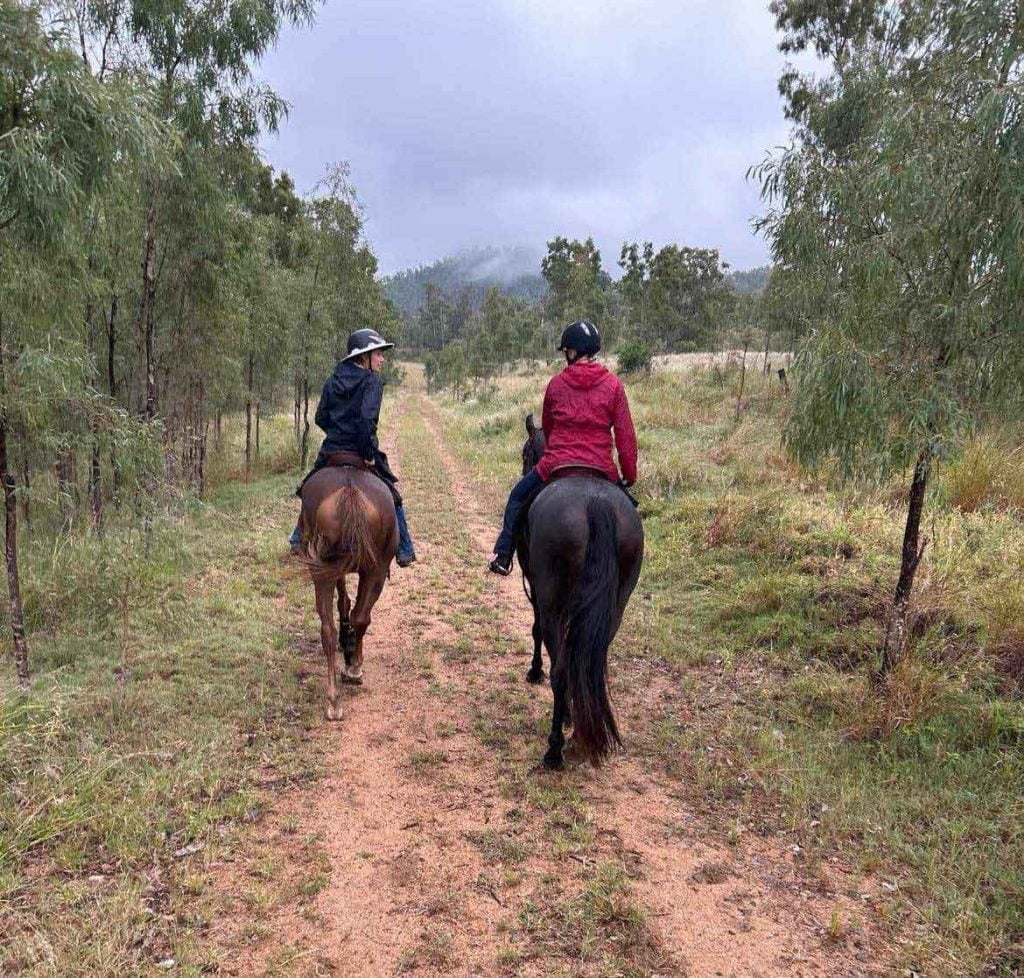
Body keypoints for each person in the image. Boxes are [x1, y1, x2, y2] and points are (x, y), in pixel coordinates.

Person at [488, 319, 638, 575]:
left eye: (567, 351)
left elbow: (548, 428)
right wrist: (629, 474)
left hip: (556, 464)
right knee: (629, 517)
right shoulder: (614, 385)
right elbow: (626, 437)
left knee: (516, 497)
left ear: (572, 351)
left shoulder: (557, 384)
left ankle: (504, 555)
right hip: (601, 467)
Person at [290, 328, 417, 567]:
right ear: (363, 357)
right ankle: (405, 548)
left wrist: (337, 434)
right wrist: (368, 454)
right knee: (394, 496)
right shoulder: (371, 382)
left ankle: (298, 537)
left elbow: (320, 417)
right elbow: (366, 422)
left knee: (308, 487)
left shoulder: (333, 379)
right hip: (359, 451)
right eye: (378, 353)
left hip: (332, 450)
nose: (382, 359)